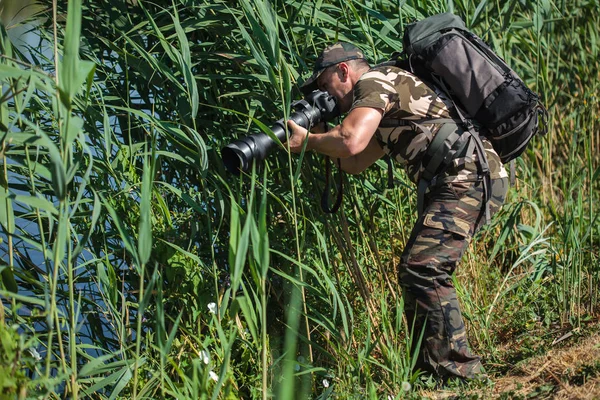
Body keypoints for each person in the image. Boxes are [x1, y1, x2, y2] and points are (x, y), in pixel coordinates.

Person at [286, 41, 509, 380]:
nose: (324, 94)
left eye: (323, 85)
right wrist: (317, 133)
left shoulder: (374, 82)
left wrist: (308, 141)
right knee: (416, 268)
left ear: (343, 71)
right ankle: (433, 370)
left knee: (423, 266)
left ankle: (458, 372)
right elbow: (356, 161)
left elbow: (350, 141)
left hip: (469, 173)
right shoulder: (381, 96)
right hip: (466, 175)